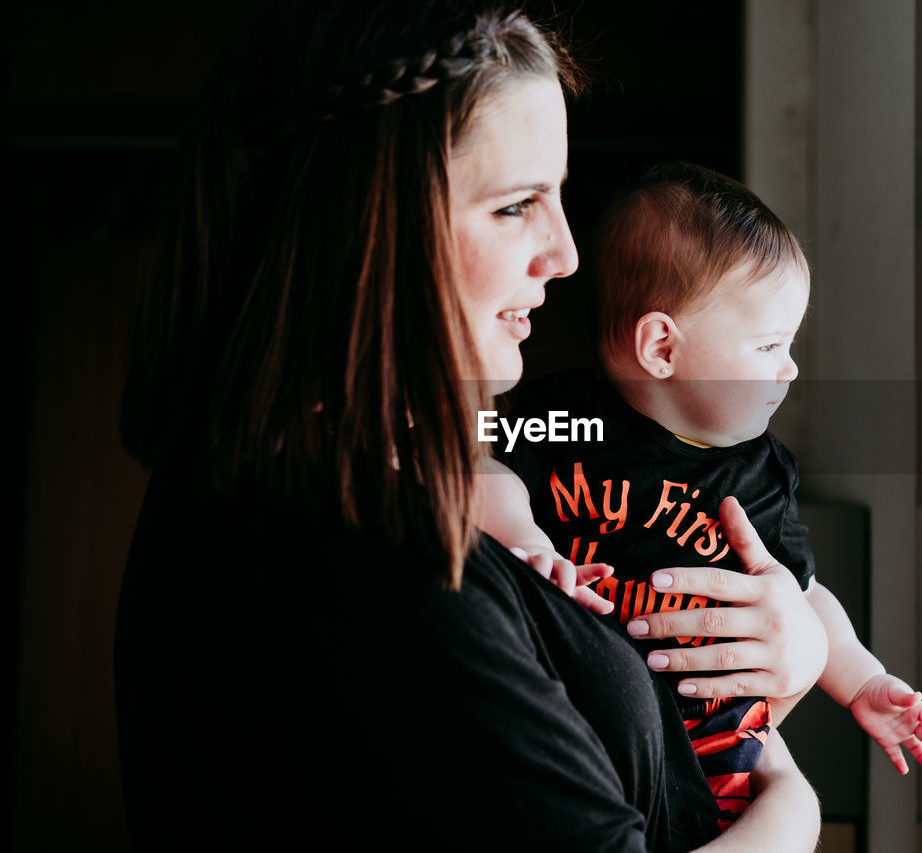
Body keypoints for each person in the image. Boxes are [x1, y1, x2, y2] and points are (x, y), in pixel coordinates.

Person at [113, 3, 826, 850]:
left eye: (559, 198)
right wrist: (791, 811)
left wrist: (798, 646)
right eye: (516, 205)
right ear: (371, 223)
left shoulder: (356, 485)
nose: (565, 252)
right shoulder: (366, 553)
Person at [481, 162, 922, 829]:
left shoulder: (760, 473)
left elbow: (804, 593)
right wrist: (529, 543)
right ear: (662, 347)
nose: (790, 368)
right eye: (769, 345)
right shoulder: (566, 417)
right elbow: (476, 466)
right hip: (578, 736)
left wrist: (862, 679)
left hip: (713, 773)